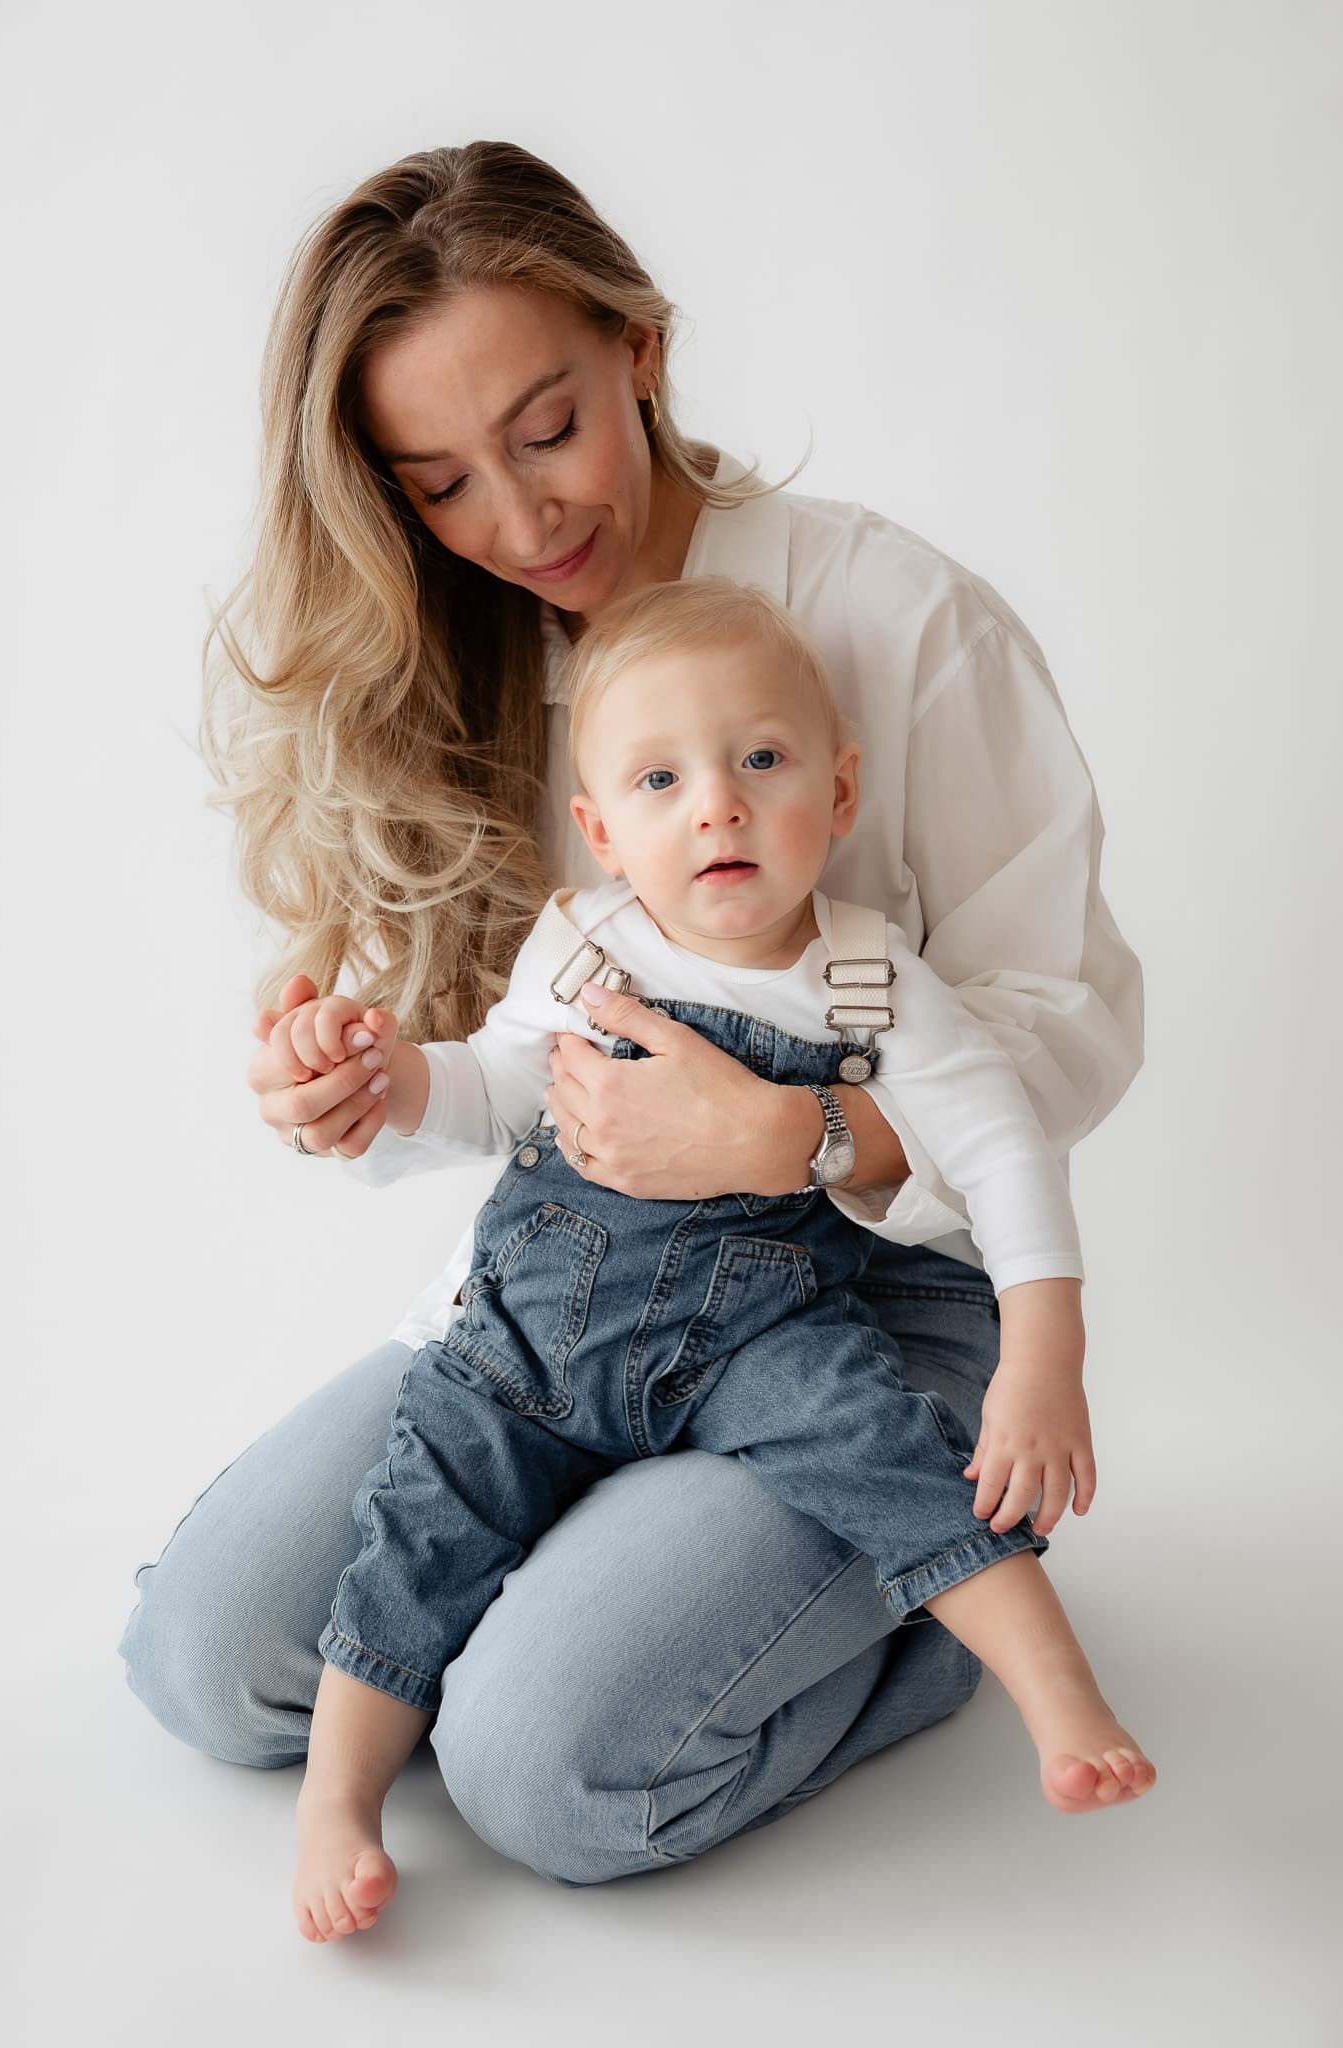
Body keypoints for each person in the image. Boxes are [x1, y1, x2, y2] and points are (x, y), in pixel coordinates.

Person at [117, 141, 1145, 1891]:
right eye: (440, 483)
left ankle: (912, 1630)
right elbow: (506, 1075)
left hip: (856, 1302)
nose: (520, 524)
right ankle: (606, 1548)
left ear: (639, 349)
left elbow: (1068, 1015)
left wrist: (807, 1133)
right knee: (206, 1666)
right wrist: (358, 1089)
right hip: (568, 1306)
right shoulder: (460, 658)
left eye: (548, 430)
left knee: (541, 1773)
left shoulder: (895, 618)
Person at [287, 575, 1153, 1942]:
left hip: (762, 1338)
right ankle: (338, 1803)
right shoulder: (583, 945)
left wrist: (1043, 1355)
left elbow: (1004, 1159)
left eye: (760, 760)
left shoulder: (872, 981)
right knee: (418, 1530)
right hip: (533, 1335)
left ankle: (1059, 1704)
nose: (718, 808)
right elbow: (495, 1093)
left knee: (894, 1459)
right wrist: (389, 1080)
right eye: (661, 779)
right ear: (599, 831)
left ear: (841, 789)